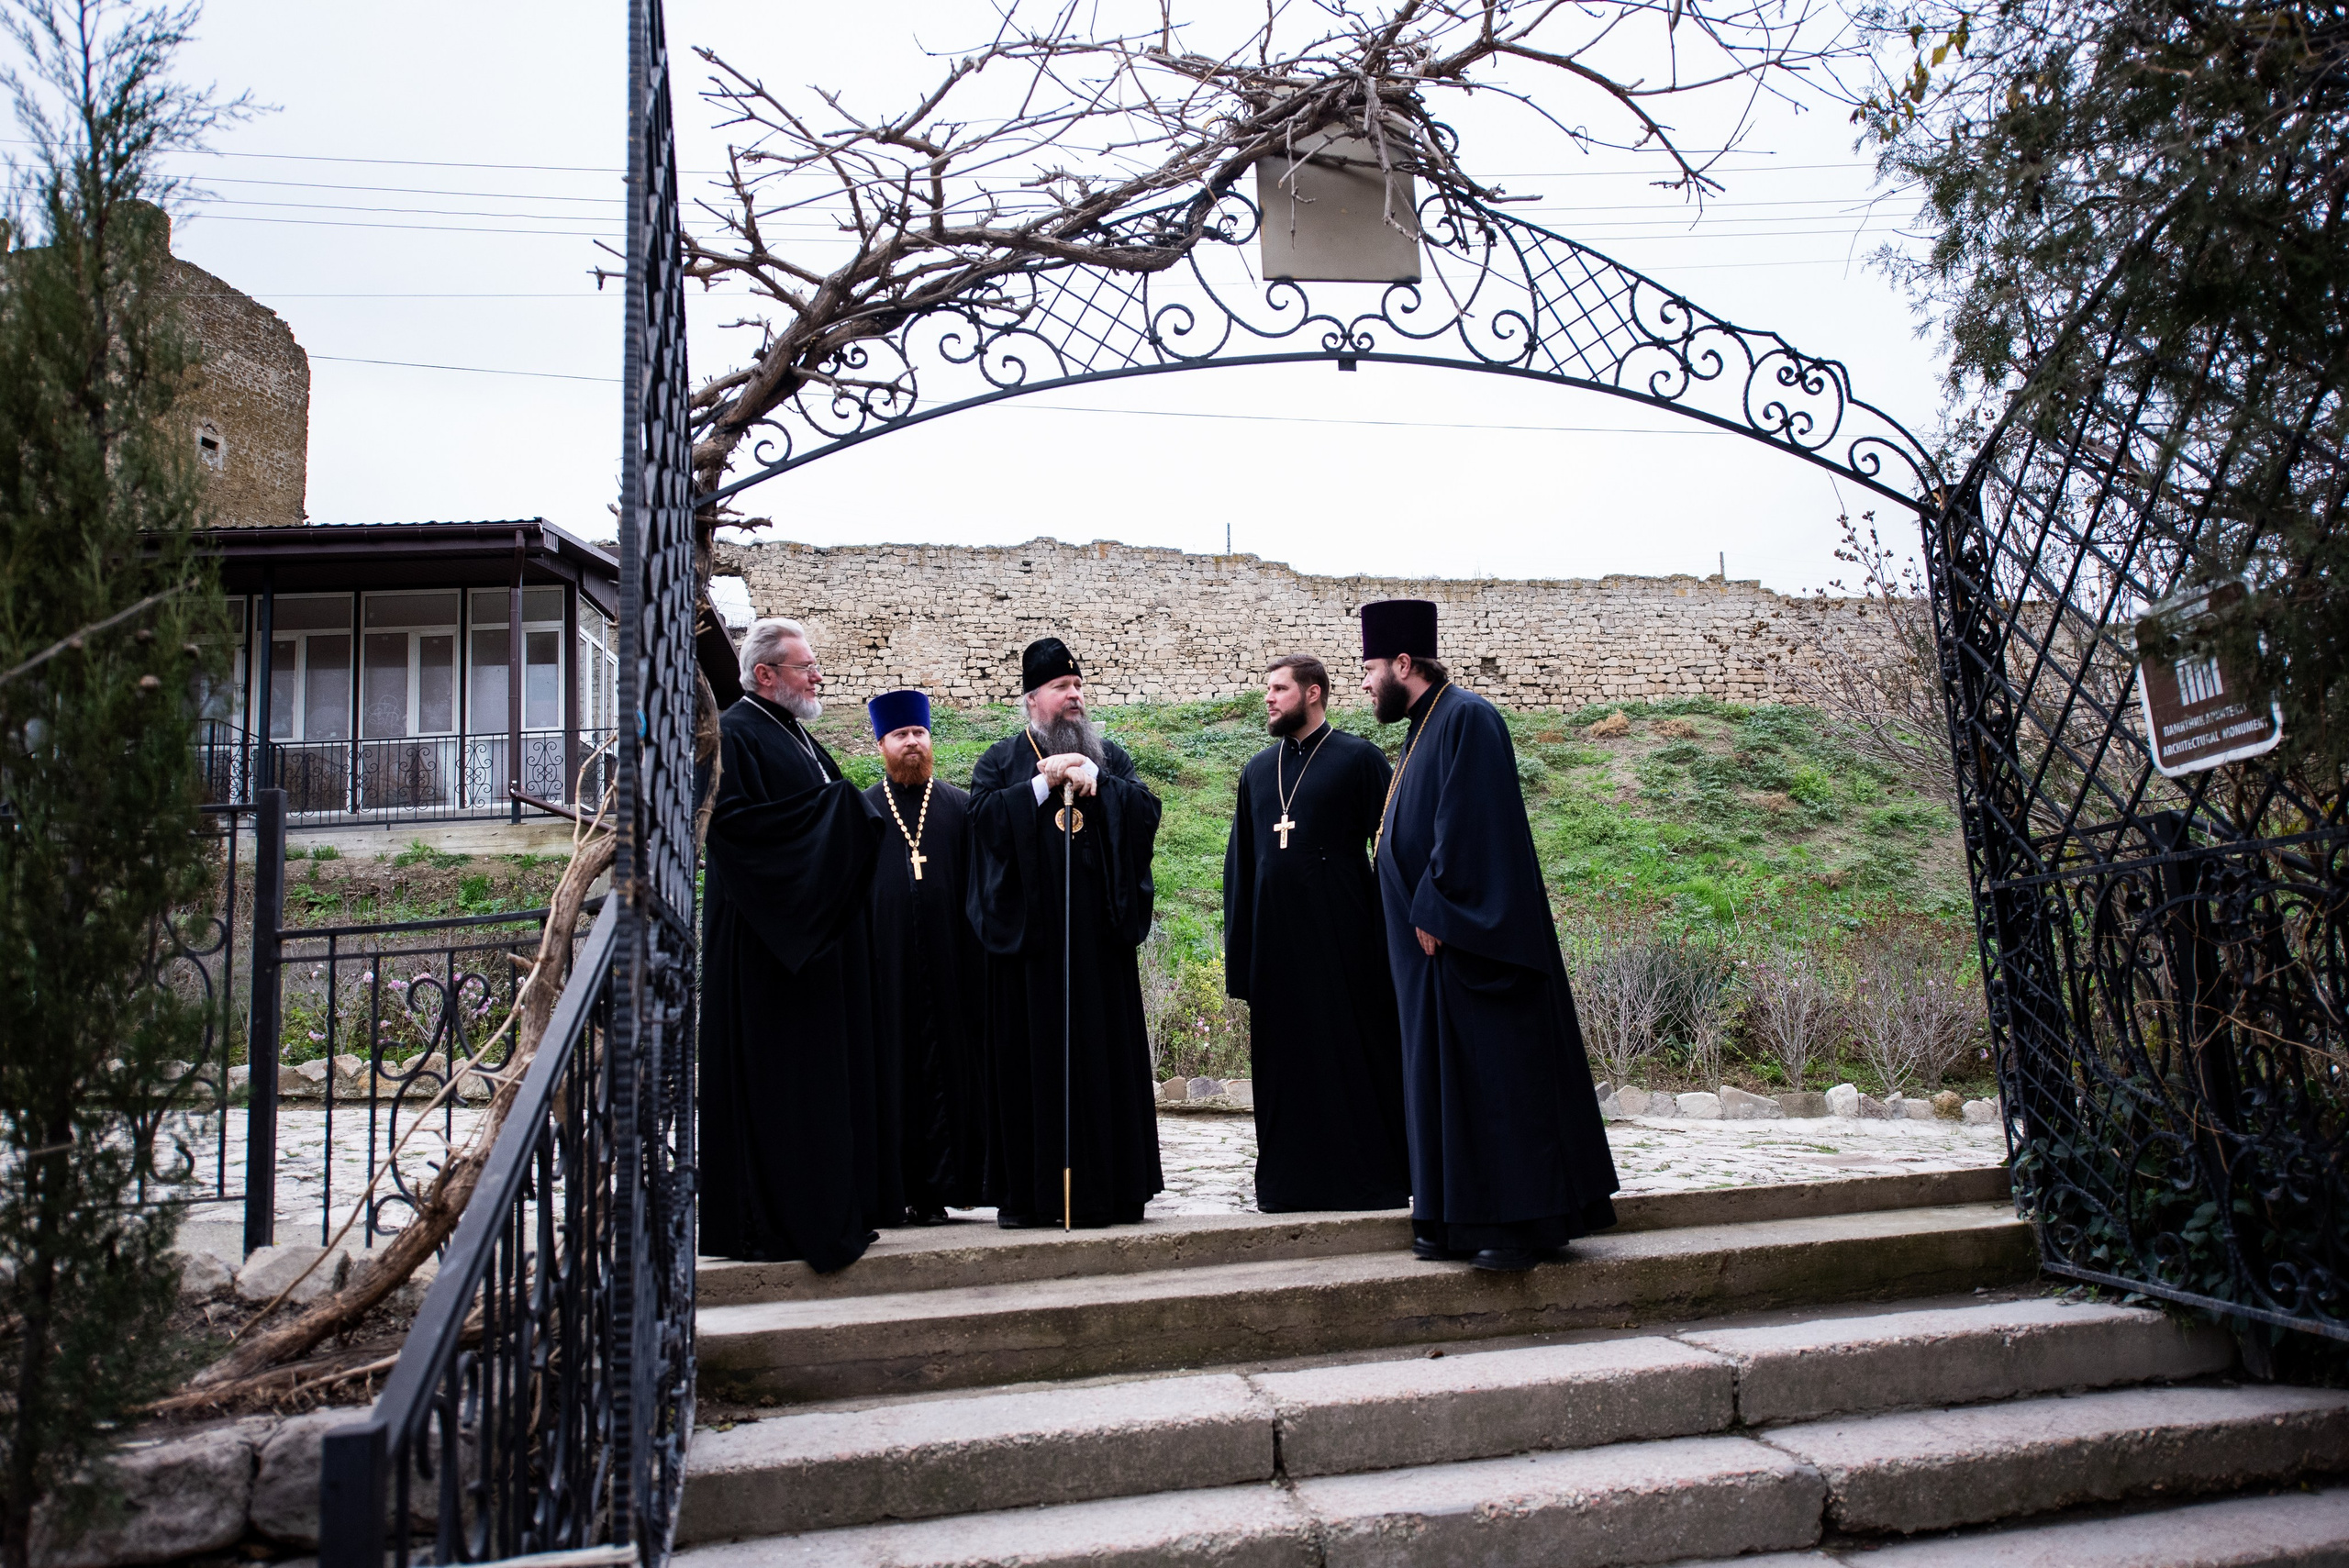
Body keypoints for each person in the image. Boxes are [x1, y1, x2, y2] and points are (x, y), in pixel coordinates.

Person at [1359, 598, 1620, 1271]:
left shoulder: (1467, 717)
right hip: (1432, 954)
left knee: (1492, 1081)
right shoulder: (1423, 727)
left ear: (1405, 663)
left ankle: (1512, 1226)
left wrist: (1439, 906)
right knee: (1445, 1084)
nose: (1364, 682)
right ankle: (1451, 1217)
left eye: (1370, 668)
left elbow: (1475, 824)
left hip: (1469, 944)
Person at [699, 617, 895, 1271]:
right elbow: (736, 832)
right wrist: (840, 810)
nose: (817, 676)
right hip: (768, 946)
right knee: (780, 1086)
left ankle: (832, 1202)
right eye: (805, 666)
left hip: (811, 945)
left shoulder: (793, 734)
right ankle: (777, 1220)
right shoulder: (734, 732)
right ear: (764, 674)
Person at [965, 637, 1164, 1228]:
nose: (1075, 697)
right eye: (1061, 688)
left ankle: (1112, 1192)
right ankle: (1028, 1196)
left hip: (1097, 951)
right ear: (1033, 699)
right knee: (1030, 1069)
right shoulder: (1000, 760)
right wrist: (1038, 786)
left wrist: (1096, 780)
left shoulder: (1110, 756)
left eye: (1079, 687)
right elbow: (980, 825)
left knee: (1104, 1065)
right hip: (1030, 954)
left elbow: (1146, 815)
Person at [1222, 654, 1410, 1212]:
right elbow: (1242, 867)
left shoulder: (1359, 758)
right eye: (1267, 690)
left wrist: (1395, 937)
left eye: (1280, 689)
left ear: (1314, 693)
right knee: (1286, 1070)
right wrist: (1244, 959)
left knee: (1352, 1059)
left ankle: (1369, 1181)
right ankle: (1289, 1185)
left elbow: (1396, 849)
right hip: (1278, 951)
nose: (1269, 698)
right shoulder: (1258, 770)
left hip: (1347, 945)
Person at [863, 688, 988, 1224]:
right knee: (894, 1075)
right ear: (882, 745)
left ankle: (952, 1186)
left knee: (953, 1073)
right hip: (885, 970)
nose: (912, 743)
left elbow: (983, 887)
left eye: (919, 733)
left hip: (953, 966)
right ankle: (898, 1188)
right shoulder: (864, 809)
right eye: (900, 735)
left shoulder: (960, 807)